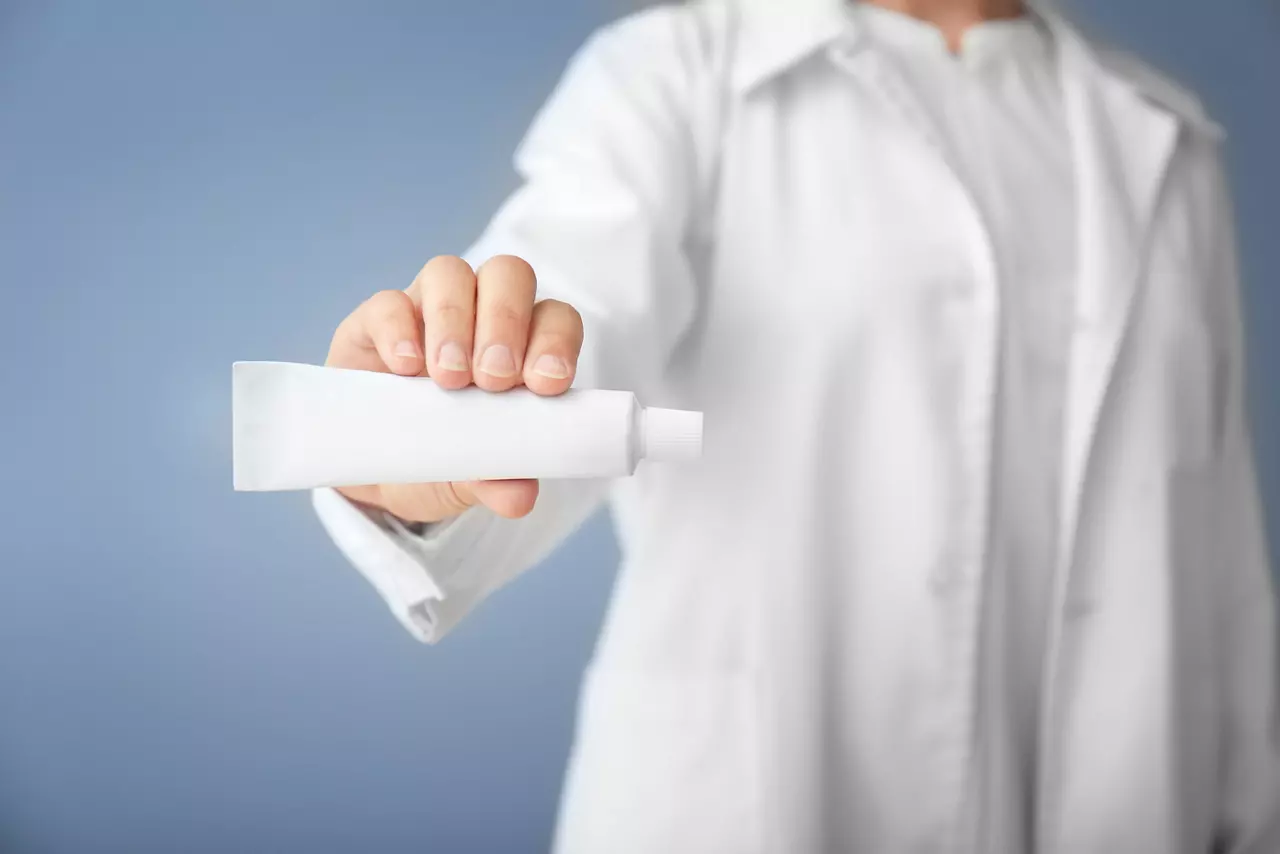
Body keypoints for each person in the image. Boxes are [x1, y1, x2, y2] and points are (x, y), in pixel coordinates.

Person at [312, 0, 1280, 850]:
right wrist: (437, 423)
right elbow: (573, 313)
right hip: (755, 801)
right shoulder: (675, 73)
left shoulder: (1158, 133)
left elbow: (1217, 555)